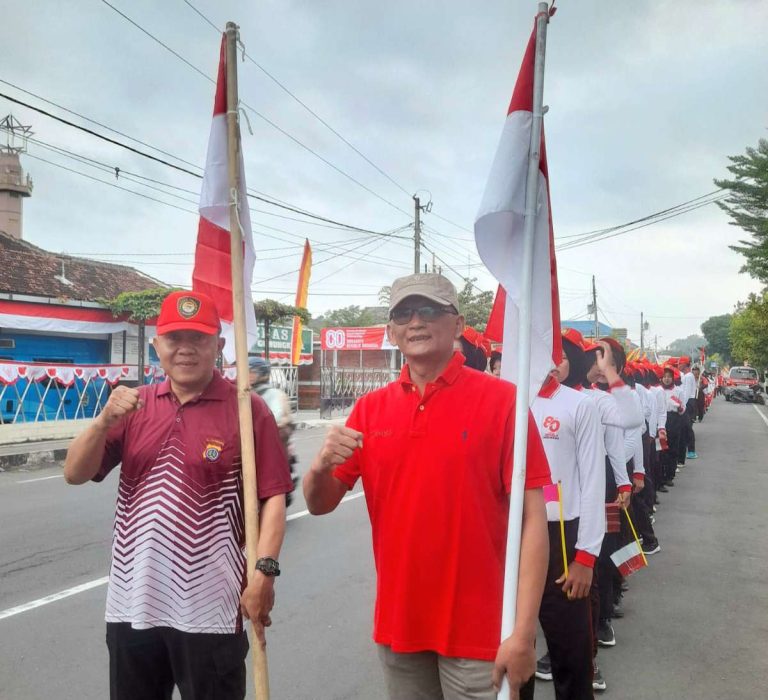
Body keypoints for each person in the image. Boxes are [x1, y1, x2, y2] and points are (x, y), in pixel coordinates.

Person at [303, 273, 551, 700]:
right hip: (400, 629)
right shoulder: (369, 410)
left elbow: (532, 522)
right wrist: (321, 465)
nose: (416, 321)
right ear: (392, 331)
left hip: (483, 636)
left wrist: (524, 633)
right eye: (403, 313)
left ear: (456, 325)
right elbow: (320, 503)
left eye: (430, 310)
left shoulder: (504, 403)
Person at [64, 291, 293, 700]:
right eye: (174, 338)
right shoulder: (135, 407)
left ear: (218, 346)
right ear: (157, 345)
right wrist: (103, 421)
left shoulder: (247, 409)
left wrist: (264, 573)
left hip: (210, 611)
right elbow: (75, 473)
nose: (185, 349)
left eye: (198, 338)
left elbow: (272, 496)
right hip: (132, 607)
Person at [532, 333, 605, 699]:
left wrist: (585, 556)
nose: (551, 359)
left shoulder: (579, 405)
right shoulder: (508, 400)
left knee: (571, 655)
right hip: (512, 534)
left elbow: (593, 482)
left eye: (560, 354)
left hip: (562, 534)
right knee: (512, 654)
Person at [248, 356, 300, 503]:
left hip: (271, 440)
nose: (249, 375)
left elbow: (278, 418)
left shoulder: (275, 394)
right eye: (247, 371)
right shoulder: (242, 394)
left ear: (263, 374)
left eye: (252, 372)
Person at [678, 357, 698, 462]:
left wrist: (682, 405)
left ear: (685, 364)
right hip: (688, 402)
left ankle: (691, 451)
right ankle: (689, 450)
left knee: (687, 428)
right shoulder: (687, 376)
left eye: (680, 363)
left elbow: (686, 392)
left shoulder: (688, 376)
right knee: (686, 428)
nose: (678, 365)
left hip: (688, 403)